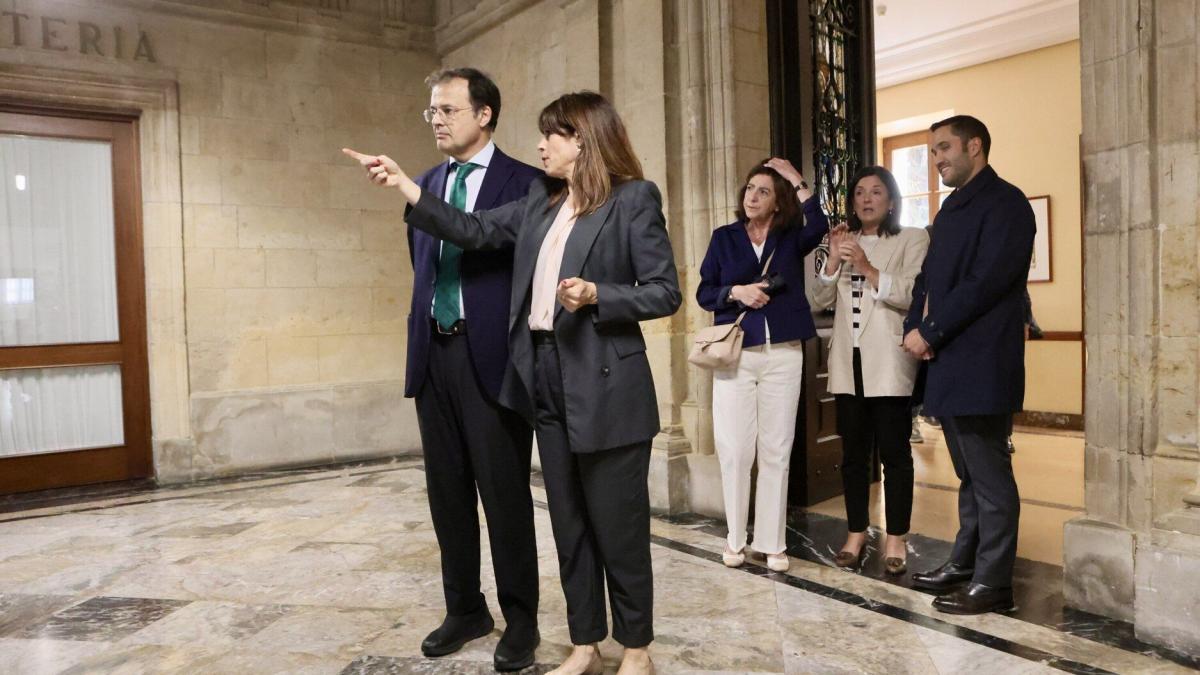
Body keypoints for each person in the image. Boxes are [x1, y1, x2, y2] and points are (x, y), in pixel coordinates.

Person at [344, 90, 680, 675]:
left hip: (604, 383)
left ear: (584, 140)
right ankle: (584, 646)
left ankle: (637, 650)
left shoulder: (632, 200)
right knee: (569, 525)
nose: (542, 144)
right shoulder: (539, 204)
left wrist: (600, 294)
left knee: (617, 526)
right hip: (543, 376)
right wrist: (405, 185)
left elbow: (663, 290)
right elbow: (469, 229)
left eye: (553, 134)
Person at [402, 68, 542, 671]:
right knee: (448, 496)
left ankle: (522, 621)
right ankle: (465, 608)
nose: (436, 119)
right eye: (431, 110)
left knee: (505, 496)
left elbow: (488, 245)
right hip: (436, 354)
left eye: (448, 109)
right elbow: (423, 267)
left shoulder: (527, 182)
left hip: (494, 361)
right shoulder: (430, 181)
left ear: (484, 114)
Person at [903, 115, 1036, 615]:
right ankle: (966, 562)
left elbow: (986, 282)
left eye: (943, 148)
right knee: (968, 473)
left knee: (990, 475)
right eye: (933, 151)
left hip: (983, 360)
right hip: (949, 360)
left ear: (975, 146)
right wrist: (913, 326)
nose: (936, 159)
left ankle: (994, 581)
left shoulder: (1006, 204)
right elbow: (929, 282)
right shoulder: (952, 208)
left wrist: (930, 332)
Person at [696, 159, 828, 573]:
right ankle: (735, 538)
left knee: (776, 448)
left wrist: (794, 177)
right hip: (736, 351)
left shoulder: (791, 236)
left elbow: (819, 223)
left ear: (777, 202)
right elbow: (704, 292)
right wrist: (737, 291)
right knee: (735, 449)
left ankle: (772, 543)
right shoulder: (724, 238)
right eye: (749, 189)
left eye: (763, 192)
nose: (752, 196)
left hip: (784, 352)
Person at [811, 166, 929, 575]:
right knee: (853, 455)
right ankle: (856, 532)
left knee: (895, 454)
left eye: (876, 192)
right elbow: (820, 297)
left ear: (891, 201)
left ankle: (896, 536)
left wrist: (864, 264)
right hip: (848, 362)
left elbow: (914, 293)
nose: (866, 199)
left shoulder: (912, 239)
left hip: (889, 362)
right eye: (859, 192)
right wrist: (831, 258)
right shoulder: (844, 242)